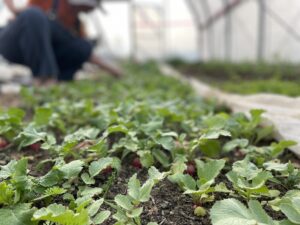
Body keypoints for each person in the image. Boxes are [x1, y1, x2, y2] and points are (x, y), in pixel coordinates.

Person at [0, 0, 123, 83]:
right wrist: (14, 10)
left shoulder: (77, 24)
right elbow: (26, 18)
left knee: (83, 46)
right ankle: (43, 78)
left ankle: (58, 79)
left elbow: (86, 53)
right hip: (14, 44)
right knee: (33, 15)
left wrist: (113, 70)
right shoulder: (49, 2)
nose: (91, 9)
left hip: (46, 53)